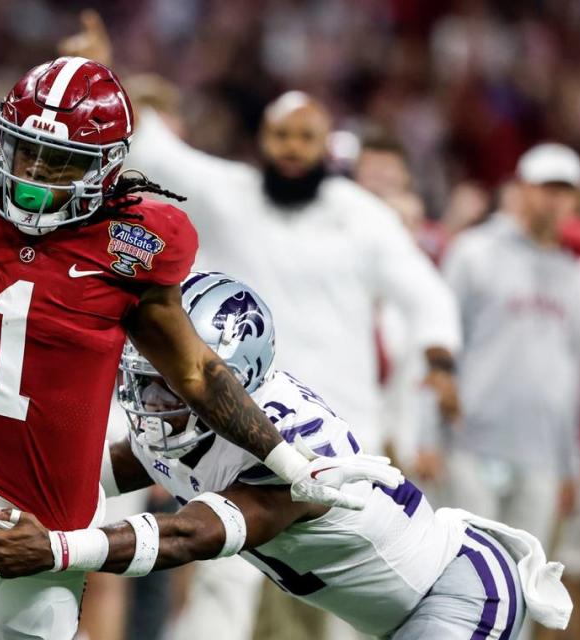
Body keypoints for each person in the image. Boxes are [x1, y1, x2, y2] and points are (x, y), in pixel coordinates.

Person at [0, 57, 398, 640]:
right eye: (24, 150)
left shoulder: (138, 242)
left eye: (58, 162)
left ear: (106, 168)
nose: (32, 176)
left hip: (52, 512)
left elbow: (198, 372)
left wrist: (289, 462)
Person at [0, 272, 572, 640]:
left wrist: (53, 549)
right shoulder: (189, 421)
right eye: (150, 378)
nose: (154, 401)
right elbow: (74, 469)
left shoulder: (297, 455)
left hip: (460, 589)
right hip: (394, 606)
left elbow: (188, 533)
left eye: (175, 385)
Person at [57, 15, 461, 640]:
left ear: (327, 145)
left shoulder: (363, 217)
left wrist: (438, 360)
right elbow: (159, 149)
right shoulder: (234, 195)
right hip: (235, 426)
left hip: (335, 439)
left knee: (344, 610)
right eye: (281, 136)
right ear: (263, 140)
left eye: (306, 136)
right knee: (226, 588)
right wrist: (105, 75)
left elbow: (423, 290)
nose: (293, 148)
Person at [441, 143, 580, 631]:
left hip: (542, 456)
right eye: (546, 188)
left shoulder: (578, 275)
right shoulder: (475, 252)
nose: (554, 201)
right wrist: (428, 435)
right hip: (473, 440)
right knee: (466, 578)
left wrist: (571, 460)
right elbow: (438, 346)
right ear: (522, 190)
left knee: (527, 590)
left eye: (565, 192)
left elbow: (575, 372)